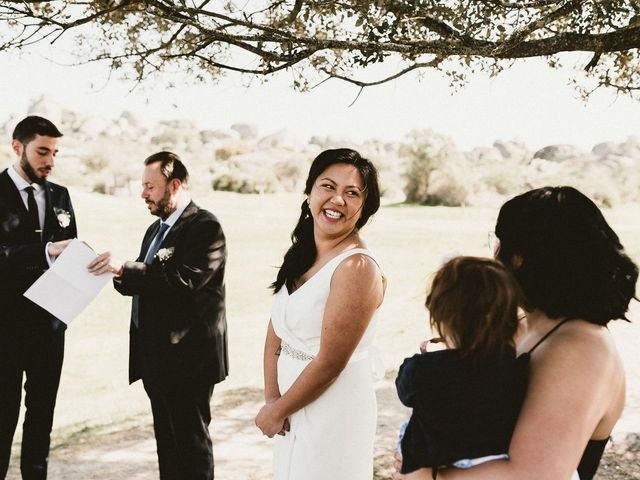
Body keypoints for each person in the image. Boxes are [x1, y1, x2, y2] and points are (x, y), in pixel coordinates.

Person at [394, 186, 638, 480]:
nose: (494, 254)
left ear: (524, 256)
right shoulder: (522, 326)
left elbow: (532, 475)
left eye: (499, 242)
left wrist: (425, 473)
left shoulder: (581, 348)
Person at [88, 151, 228, 480]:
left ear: (174, 185)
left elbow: (184, 280)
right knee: (167, 445)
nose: (143, 193)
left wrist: (128, 269)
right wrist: (115, 274)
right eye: (143, 186)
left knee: (191, 447)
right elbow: (144, 280)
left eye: (150, 186)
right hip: (156, 360)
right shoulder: (155, 230)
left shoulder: (205, 226)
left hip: (189, 359)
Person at [254, 148, 386, 479]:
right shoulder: (302, 254)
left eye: (352, 193)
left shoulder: (357, 267)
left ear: (364, 208)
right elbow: (277, 329)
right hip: (291, 405)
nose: (337, 199)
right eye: (328, 186)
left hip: (334, 408)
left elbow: (331, 362)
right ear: (310, 191)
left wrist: (277, 411)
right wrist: (273, 398)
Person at [396, 256, 527, 479]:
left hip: (433, 459)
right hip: (495, 461)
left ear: (441, 316)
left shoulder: (424, 369)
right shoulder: (517, 367)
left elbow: (405, 393)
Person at [0, 116, 77, 479]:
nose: (50, 161)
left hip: (50, 328)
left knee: (42, 419)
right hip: (5, 330)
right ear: (18, 147)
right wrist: (45, 251)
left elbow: (70, 253)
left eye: (55, 153)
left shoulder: (60, 196)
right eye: (42, 151)